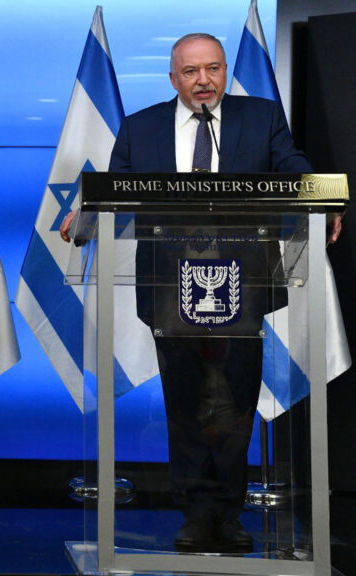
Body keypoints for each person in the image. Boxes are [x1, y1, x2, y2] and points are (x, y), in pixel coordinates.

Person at [61, 33, 339, 553]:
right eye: (191, 72)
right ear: (174, 78)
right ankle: (193, 513)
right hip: (169, 285)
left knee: (234, 405)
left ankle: (229, 515)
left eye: (212, 69)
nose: (204, 81)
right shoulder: (141, 127)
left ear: (224, 70)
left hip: (245, 285)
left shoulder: (260, 117)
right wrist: (88, 213)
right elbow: (114, 189)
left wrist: (321, 199)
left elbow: (292, 167)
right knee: (186, 405)